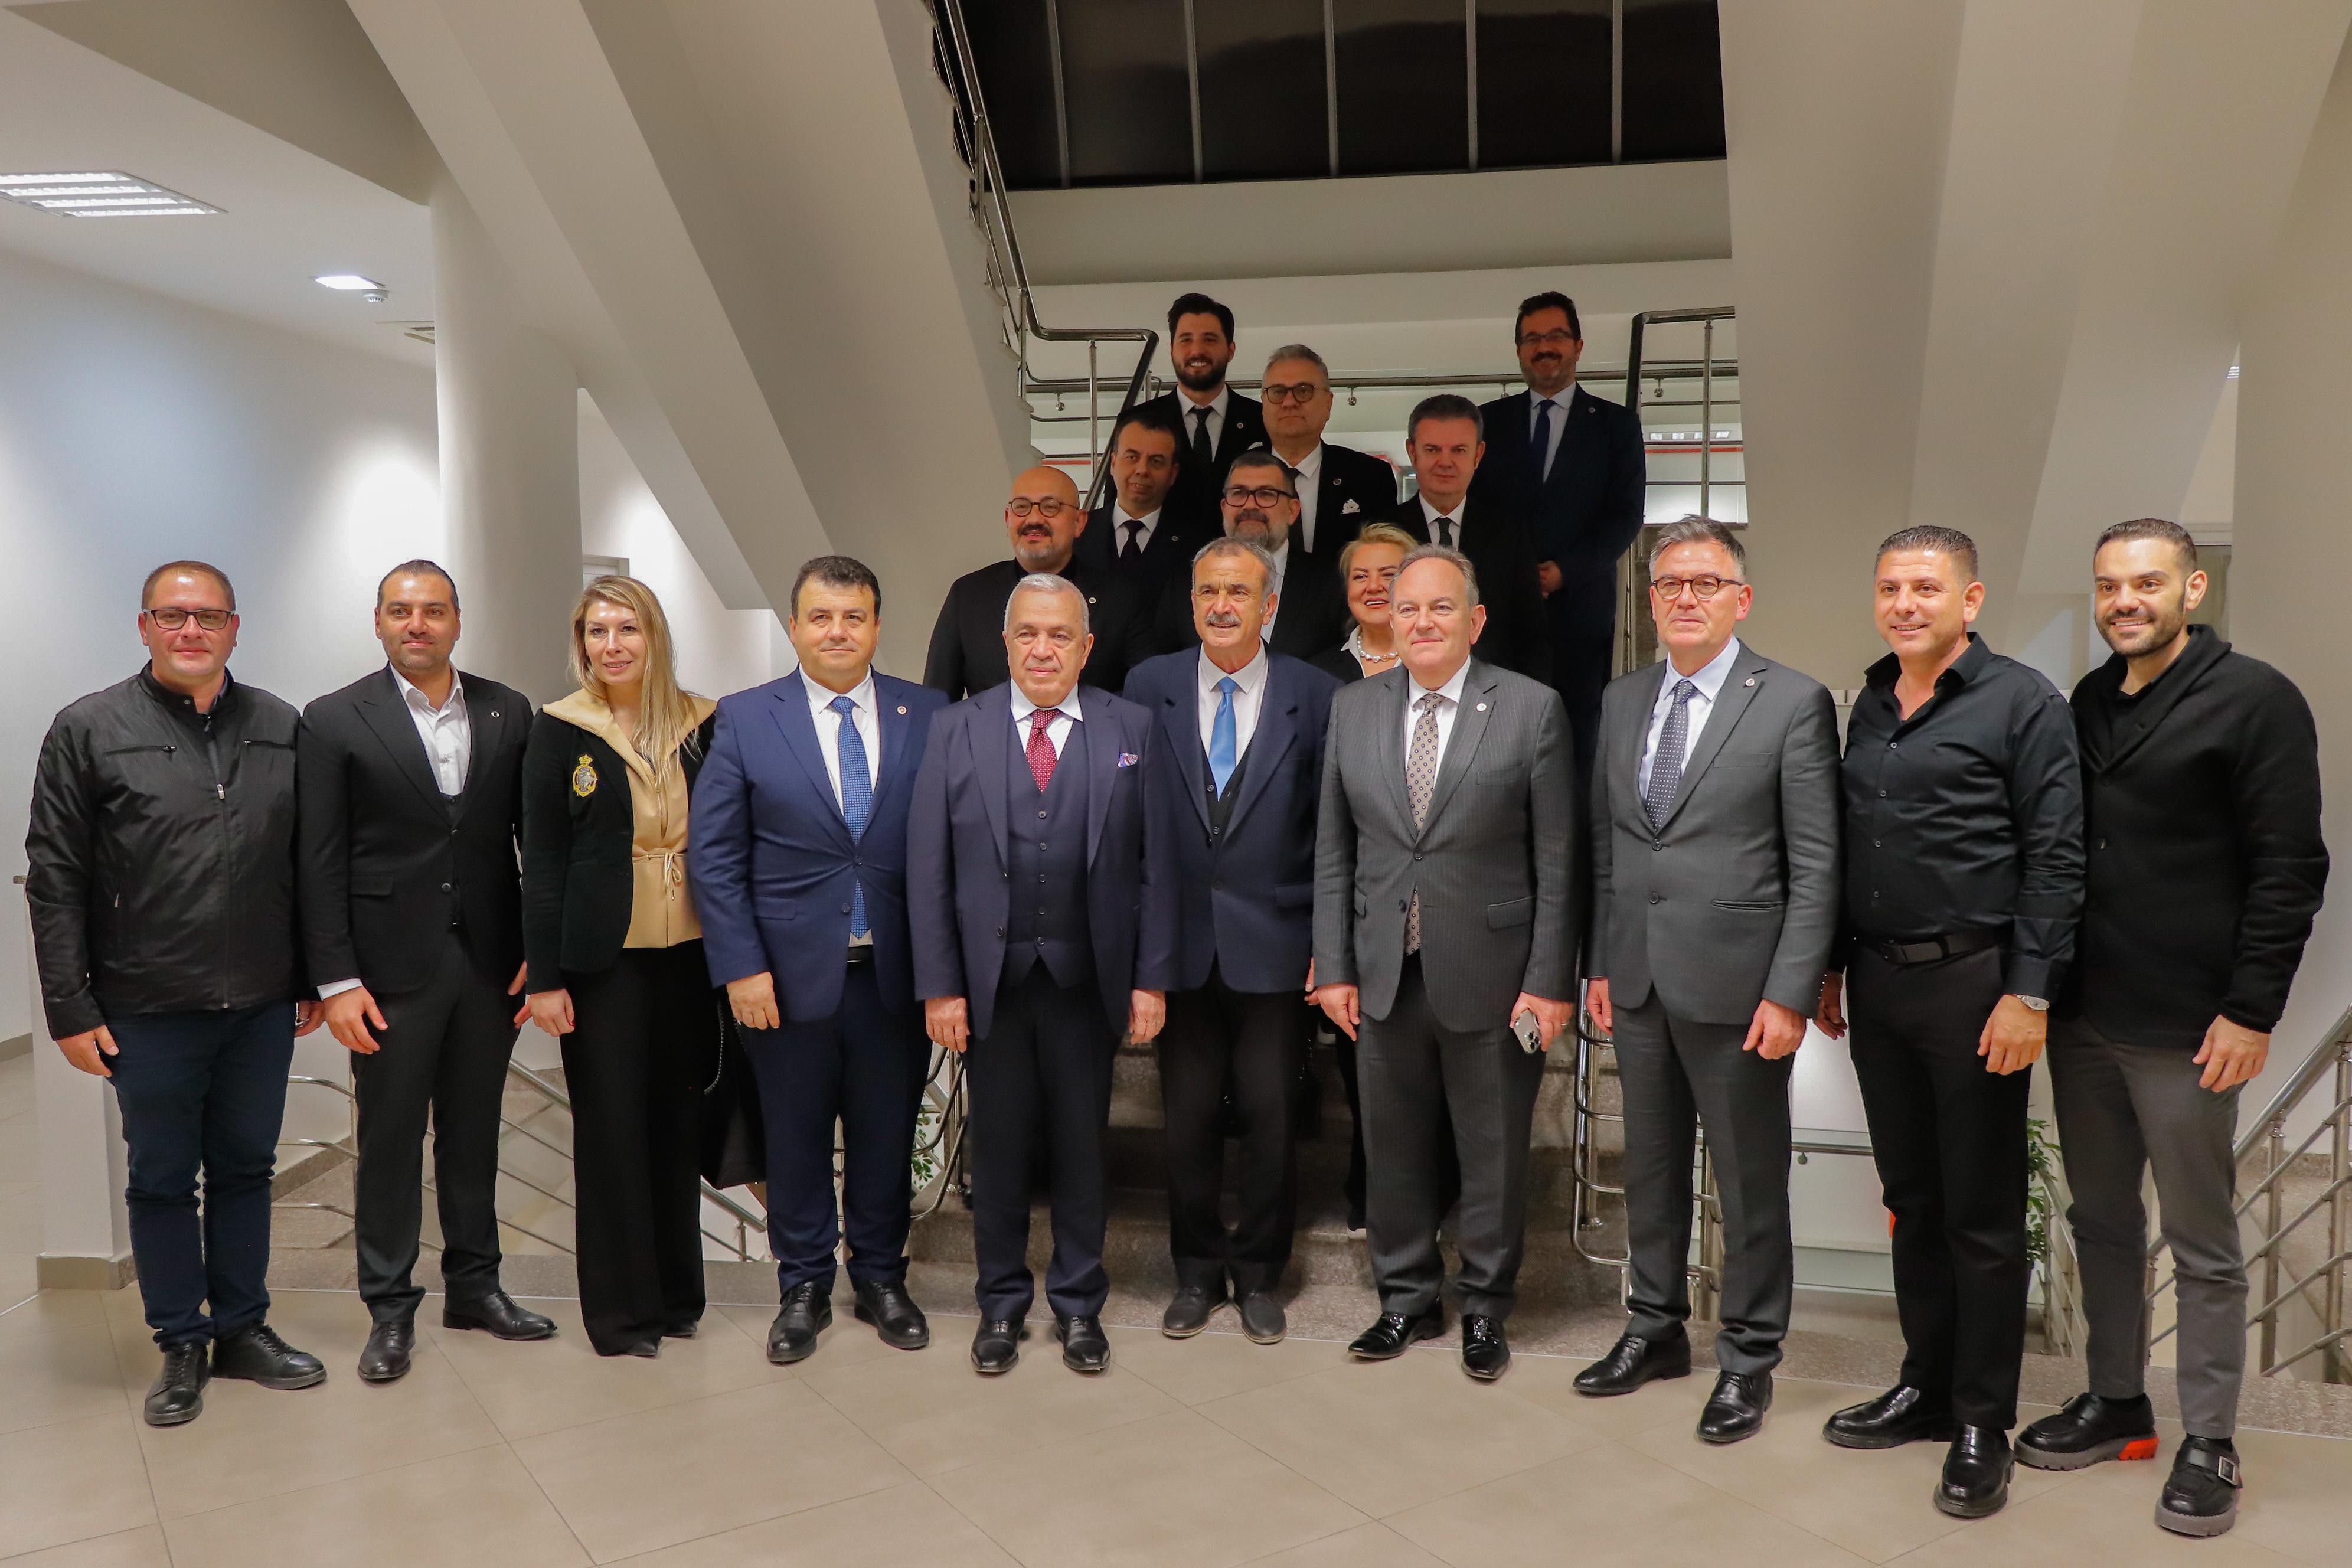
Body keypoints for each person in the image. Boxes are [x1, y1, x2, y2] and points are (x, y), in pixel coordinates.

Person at [2018, 519, 2327, 1538]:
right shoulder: (2087, 700)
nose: (2125, 601)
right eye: (2109, 585)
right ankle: (2116, 1400)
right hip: (2084, 1016)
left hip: (2191, 1025)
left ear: (2191, 589)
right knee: (2101, 1222)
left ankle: (2210, 1439)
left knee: (2200, 1240)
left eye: (2146, 583)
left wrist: (2250, 1009)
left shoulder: (2256, 700)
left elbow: (2290, 868)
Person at [1815, 526, 2085, 1519]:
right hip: (1879, 983)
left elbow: (2055, 855)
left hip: (1977, 987)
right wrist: (1831, 964)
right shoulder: (1870, 703)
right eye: (1890, 587)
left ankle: (1981, 1422)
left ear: (1969, 601)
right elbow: (1856, 844)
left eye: (1926, 588)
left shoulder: (2023, 702)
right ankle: (1925, 1387)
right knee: (1912, 1199)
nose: (1905, 604)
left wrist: (2029, 992)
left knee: (1980, 1213)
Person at [28, 561, 326, 1425]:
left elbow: (308, 862)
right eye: (172, 616)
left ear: (235, 627)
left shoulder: (280, 725)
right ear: (144, 626)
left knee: (246, 1170)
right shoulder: (89, 728)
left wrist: (311, 975)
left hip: (261, 1003)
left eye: (209, 617)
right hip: (147, 1005)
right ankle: (182, 1341)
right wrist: (70, 1007)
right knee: (162, 1179)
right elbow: (55, 877)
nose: (191, 631)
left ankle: (242, 1328)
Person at [1574, 518, 1841, 1445]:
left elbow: (1817, 863)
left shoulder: (1792, 702)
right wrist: (1600, 959)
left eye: (1705, 583)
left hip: (1743, 988)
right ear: (1650, 601)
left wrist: (1792, 991)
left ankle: (1749, 1358)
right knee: (1649, 1170)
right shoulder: (1622, 699)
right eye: (1669, 584)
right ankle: (1653, 1328)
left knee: (1749, 1182)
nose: (1685, 598)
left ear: (1742, 599)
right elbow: (1609, 844)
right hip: (1639, 977)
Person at [1311, 545, 1577, 1383]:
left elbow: (1558, 859)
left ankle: (1487, 1307)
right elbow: (1334, 851)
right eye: (1407, 607)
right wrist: (1334, 964)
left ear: (1476, 619)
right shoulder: (1353, 707)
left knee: (1492, 1150)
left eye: (1440, 607)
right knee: (1391, 1146)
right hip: (1384, 972)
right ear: (1388, 619)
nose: (1421, 622)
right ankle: (1406, 1298)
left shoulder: (1531, 709)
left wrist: (1548, 981)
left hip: (1496, 976)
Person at [909, 574, 1177, 1376]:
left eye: (1060, 635)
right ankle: (1000, 1303)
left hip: (1085, 981)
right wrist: (941, 985)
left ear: (1086, 647)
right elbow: (929, 868)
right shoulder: (956, 727)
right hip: (990, 983)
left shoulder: (1131, 727)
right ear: (1005, 642)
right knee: (996, 1152)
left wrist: (1150, 978)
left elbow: (1156, 864)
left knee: (1081, 1150)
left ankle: (1079, 1304)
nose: (1043, 649)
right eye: (1028, 633)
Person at [297, 561, 554, 1384]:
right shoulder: (333, 719)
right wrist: (335, 980)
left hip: (488, 963)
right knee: (390, 1142)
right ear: (378, 622)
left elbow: (534, 841)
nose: (418, 624)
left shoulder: (507, 709)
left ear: (457, 621)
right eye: (401, 611)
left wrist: (540, 949)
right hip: (385, 973)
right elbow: (318, 859)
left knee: (475, 1134)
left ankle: (476, 1288)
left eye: (434, 610)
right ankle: (390, 1307)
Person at [690, 556, 948, 1365]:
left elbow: (950, 847)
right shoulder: (745, 717)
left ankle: (880, 1277)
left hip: (895, 978)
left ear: (876, 625)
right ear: (796, 626)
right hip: (782, 981)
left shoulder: (930, 712)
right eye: (822, 617)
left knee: (886, 1134)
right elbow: (715, 858)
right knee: (794, 1139)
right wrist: (741, 967)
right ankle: (802, 1285)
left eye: (854, 617)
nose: (838, 631)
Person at [1126, 538, 1340, 1344]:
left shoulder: (1316, 693)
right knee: (1184, 1121)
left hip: (1277, 944)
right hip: (1176, 947)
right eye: (1209, 591)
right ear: (1192, 602)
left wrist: (1327, 944)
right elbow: (1130, 827)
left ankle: (1258, 1275)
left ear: (1269, 605)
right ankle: (1193, 1272)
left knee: (1271, 1116)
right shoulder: (1147, 686)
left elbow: (1333, 831)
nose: (1222, 605)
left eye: (1239, 592)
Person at [520, 576, 720, 1358]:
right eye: (597, 631)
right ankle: (622, 1315)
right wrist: (545, 978)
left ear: (654, 636)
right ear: (582, 644)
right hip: (602, 965)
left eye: (627, 629)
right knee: (611, 1135)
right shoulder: (559, 729)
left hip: (691, 958)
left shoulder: (703, 722)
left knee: (677, 1127)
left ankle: (676, 1297)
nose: (612, 645)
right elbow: (542, 863)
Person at [1467, 291, 1647, 776]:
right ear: (1519, 350)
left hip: (1580, 615)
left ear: (1578, 346)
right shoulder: (1487, 423)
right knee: (1496, 746)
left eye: (1555, 336)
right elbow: (1474, 511)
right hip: (1500, 616)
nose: (1544, 347)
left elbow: (1625, 516)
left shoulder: (1616, 426)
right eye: (1532, 338)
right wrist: (1514, 576)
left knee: (1577, 750)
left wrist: (1563, 572)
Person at [924, 466, 1154, 698]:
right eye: (1022, 507)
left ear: (1079, 522)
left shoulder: (1121, 600)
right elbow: (936, 702)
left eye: (1050, 507)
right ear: (1008, 519)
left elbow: (1146, 698)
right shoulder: (969, 596)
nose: (1034, 519)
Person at [1375, 395, 1550, 684]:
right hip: (1402, 690)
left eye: (1458, 450)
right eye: (1432, 449)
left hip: (1494, 693)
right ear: (1412, 452)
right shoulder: (1383, 533)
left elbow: (1530, 633)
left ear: (1478, 455)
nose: (1445, 462)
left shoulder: (1509, 532)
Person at [1155, 452, 1348, 661]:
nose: (1250, 505)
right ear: (1224, 508)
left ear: (1292, 511)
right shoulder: (1183, 583)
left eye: (1266, 494)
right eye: (1238, 493)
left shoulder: (1333, 584)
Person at [1258, 343, 1398, 575]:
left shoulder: (1370, 478)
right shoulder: (1234, 476)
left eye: (1304, 391)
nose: (1289, 402)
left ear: (1328, 403)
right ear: (1263, 402)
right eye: (1278, 392)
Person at [1133, 292, 1267, 533]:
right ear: (1172, 350)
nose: (1197, 351)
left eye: (1210, 339)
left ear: (1231, 350)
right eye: (1186, 340)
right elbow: (1119, 507)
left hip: (1243, 553)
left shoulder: (1262, 419)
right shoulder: (1137, 422)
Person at [1072, 406, 1203, 603]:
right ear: (1113, 463)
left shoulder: (1195, 547)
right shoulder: (1076, 534)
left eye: (1156, 461)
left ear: (1173, 473)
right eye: (1132, 457)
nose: (1142, 470)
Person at [1313, 523, 1417, 687]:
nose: (1373, 587)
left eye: (1388, 575)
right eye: (1360, 577)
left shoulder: (1440, 659)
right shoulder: (1317, 672)